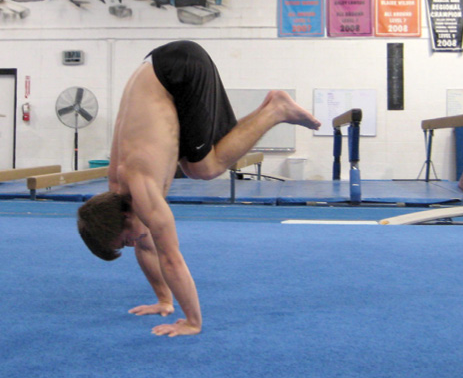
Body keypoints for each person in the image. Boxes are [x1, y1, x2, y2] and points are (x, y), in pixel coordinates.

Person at [77, 40, 320, 337]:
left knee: (205, 167)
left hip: (180, 69)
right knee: (196, 167)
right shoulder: (118, 194)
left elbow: (170, 258)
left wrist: (193, 321)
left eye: (122, 242)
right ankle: (272, 108)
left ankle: (277, 110)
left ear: (124, 218)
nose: (130, 245)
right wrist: (164, 300)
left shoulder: (142, 190)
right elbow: (142, 244)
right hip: (161, 71)